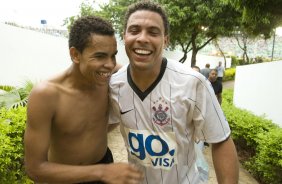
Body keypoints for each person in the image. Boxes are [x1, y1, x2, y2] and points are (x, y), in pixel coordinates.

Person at [109, 1, 239, 184]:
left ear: (165, 40)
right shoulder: (114, 85)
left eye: (153, 32)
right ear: (125, 36)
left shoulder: (194, 83)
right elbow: (100, 126)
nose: (142, 38)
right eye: (134, 30)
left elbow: (221, 141)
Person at [24, 16, 143, 184]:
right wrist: (102, 172)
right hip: (63, 178)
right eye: (100, 56)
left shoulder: (112, 76)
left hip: (104, 164)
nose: (110, 65)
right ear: (75, 55)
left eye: (113, 56)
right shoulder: (46, 95)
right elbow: (35, 168)